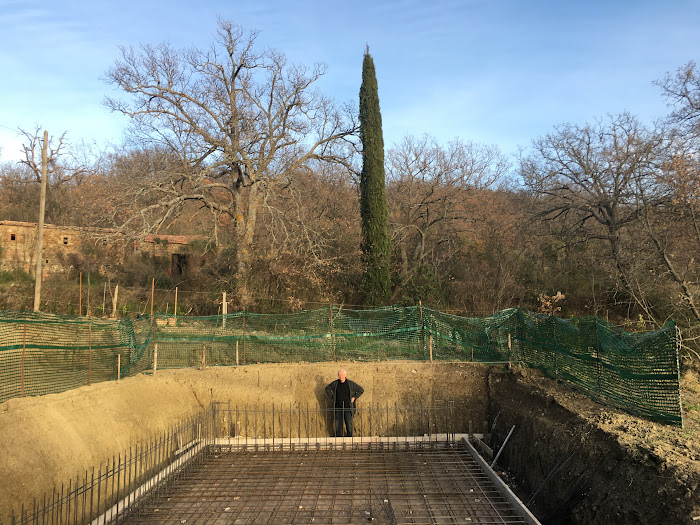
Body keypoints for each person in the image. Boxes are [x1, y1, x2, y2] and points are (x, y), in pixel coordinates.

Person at [325, 369, 364, 437]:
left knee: (348, 423)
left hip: (348, 407)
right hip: (338, 406)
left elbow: (361, 390)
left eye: (342, 375)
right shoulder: (335, 383)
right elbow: (327, 389)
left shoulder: (350, 384)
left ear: (345, 375)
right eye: (339, 375)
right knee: (337, 424)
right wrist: (332, 397)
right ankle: (338, 438)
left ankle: (349, 437)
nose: (340, 376)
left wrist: (354, 397)